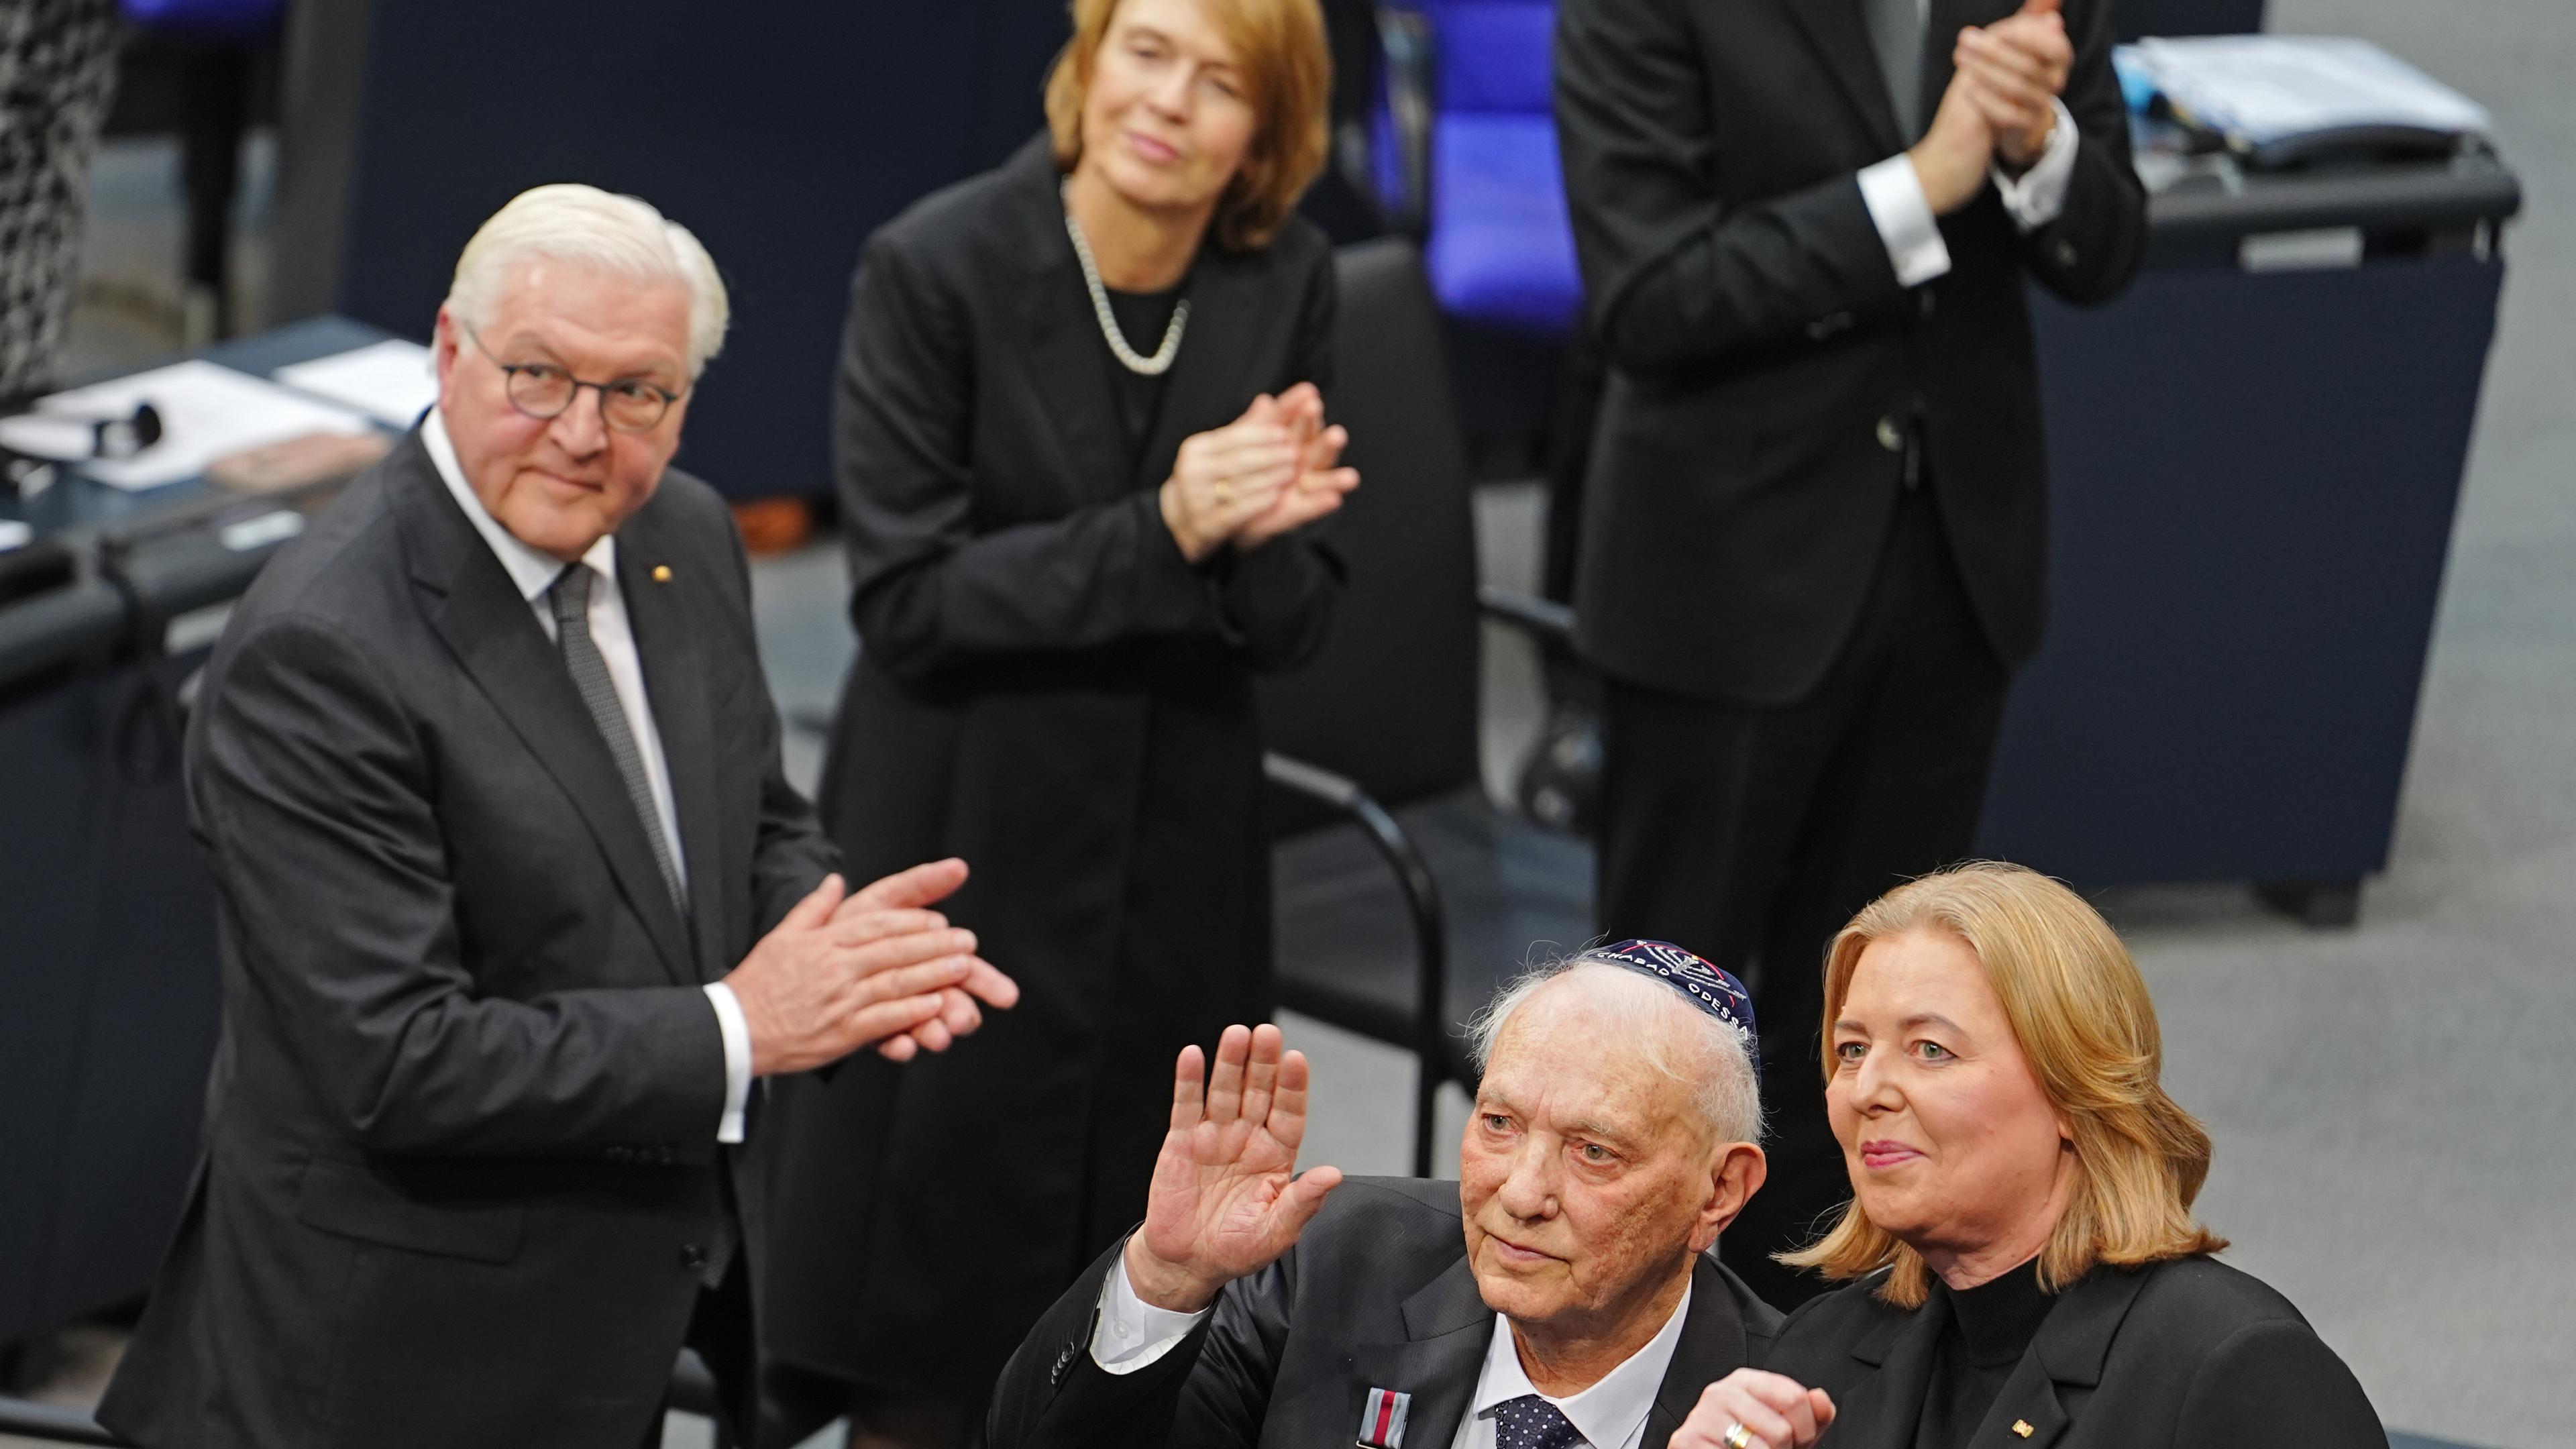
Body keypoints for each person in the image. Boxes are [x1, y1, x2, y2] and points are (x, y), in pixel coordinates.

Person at [93, 184, 1018, 1449]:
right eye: (538, 375)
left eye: (638, 392)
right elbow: (399, 1061)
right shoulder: (321, 649)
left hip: (613, 1316)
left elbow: (745, 819)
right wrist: (751, 1025)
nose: (584, 434)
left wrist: (846, 953)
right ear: (450, 352)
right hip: (392, 1362)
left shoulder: (683, 533)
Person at [758, 0, 1357, 1440]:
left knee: (1145, 1308)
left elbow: (1299, 615)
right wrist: (1169, 533)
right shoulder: (936, 262)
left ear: (1267, 136)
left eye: (1221, 83)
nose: (1168, 101)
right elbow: (909, 598)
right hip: (966, 831)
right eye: (1147, 51)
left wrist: (1258, 544)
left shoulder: (1289, 276)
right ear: (1088, 64)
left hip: (1178, 842)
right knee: (928, 1325)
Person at [1553, 0, 2150, 1305]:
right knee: (1670, 1031)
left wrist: (2039, 141)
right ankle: (1631, 1372)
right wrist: (1924, 186)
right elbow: (1651, 295)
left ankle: (1842, 1367)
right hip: (1726, 579)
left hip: (1954, 568)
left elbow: (2107, 244)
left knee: (1888, 1040)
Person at [1678, 863, 2380, 1449]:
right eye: (1853, 1049)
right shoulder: (1819, 1354)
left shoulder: (2229, 1368)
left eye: (1932, 1050)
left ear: (2074, 1093)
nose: (1867, 1090)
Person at [987, 941, 1781, 1448]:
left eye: (1594, 1152)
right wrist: (1165, 1280)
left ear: (1720, 1190)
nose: (1522, 1192)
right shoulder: (1338, 1260)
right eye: (1499, 1123)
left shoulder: (1799, 1402)